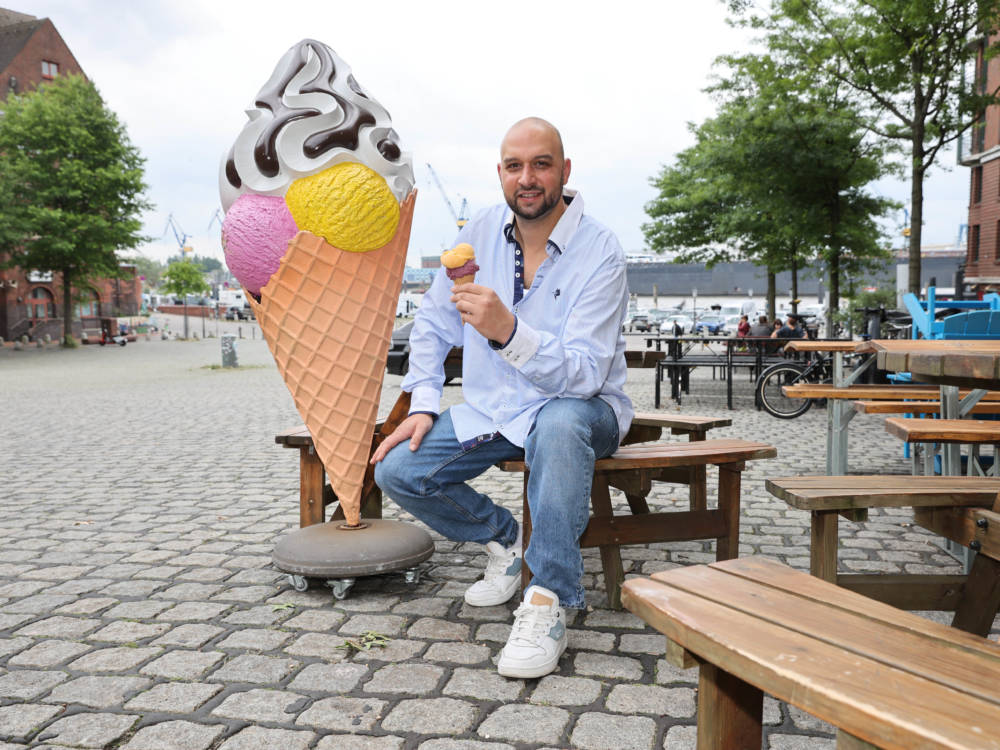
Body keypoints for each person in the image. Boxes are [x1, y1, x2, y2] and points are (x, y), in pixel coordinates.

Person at [373, 117, 632, 679]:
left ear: (564, 171)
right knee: (397, 470)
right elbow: (433, 326)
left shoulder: (602, 250)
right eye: (515, 166)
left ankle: (549, 599)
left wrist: (508, 332)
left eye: (541, 164)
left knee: (560, 423)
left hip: (585, 410)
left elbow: (586, 375)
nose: (528, 178)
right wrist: (421, 402)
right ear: (500, 174)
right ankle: (507, 540)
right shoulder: (480, 233)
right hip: (495, 408)